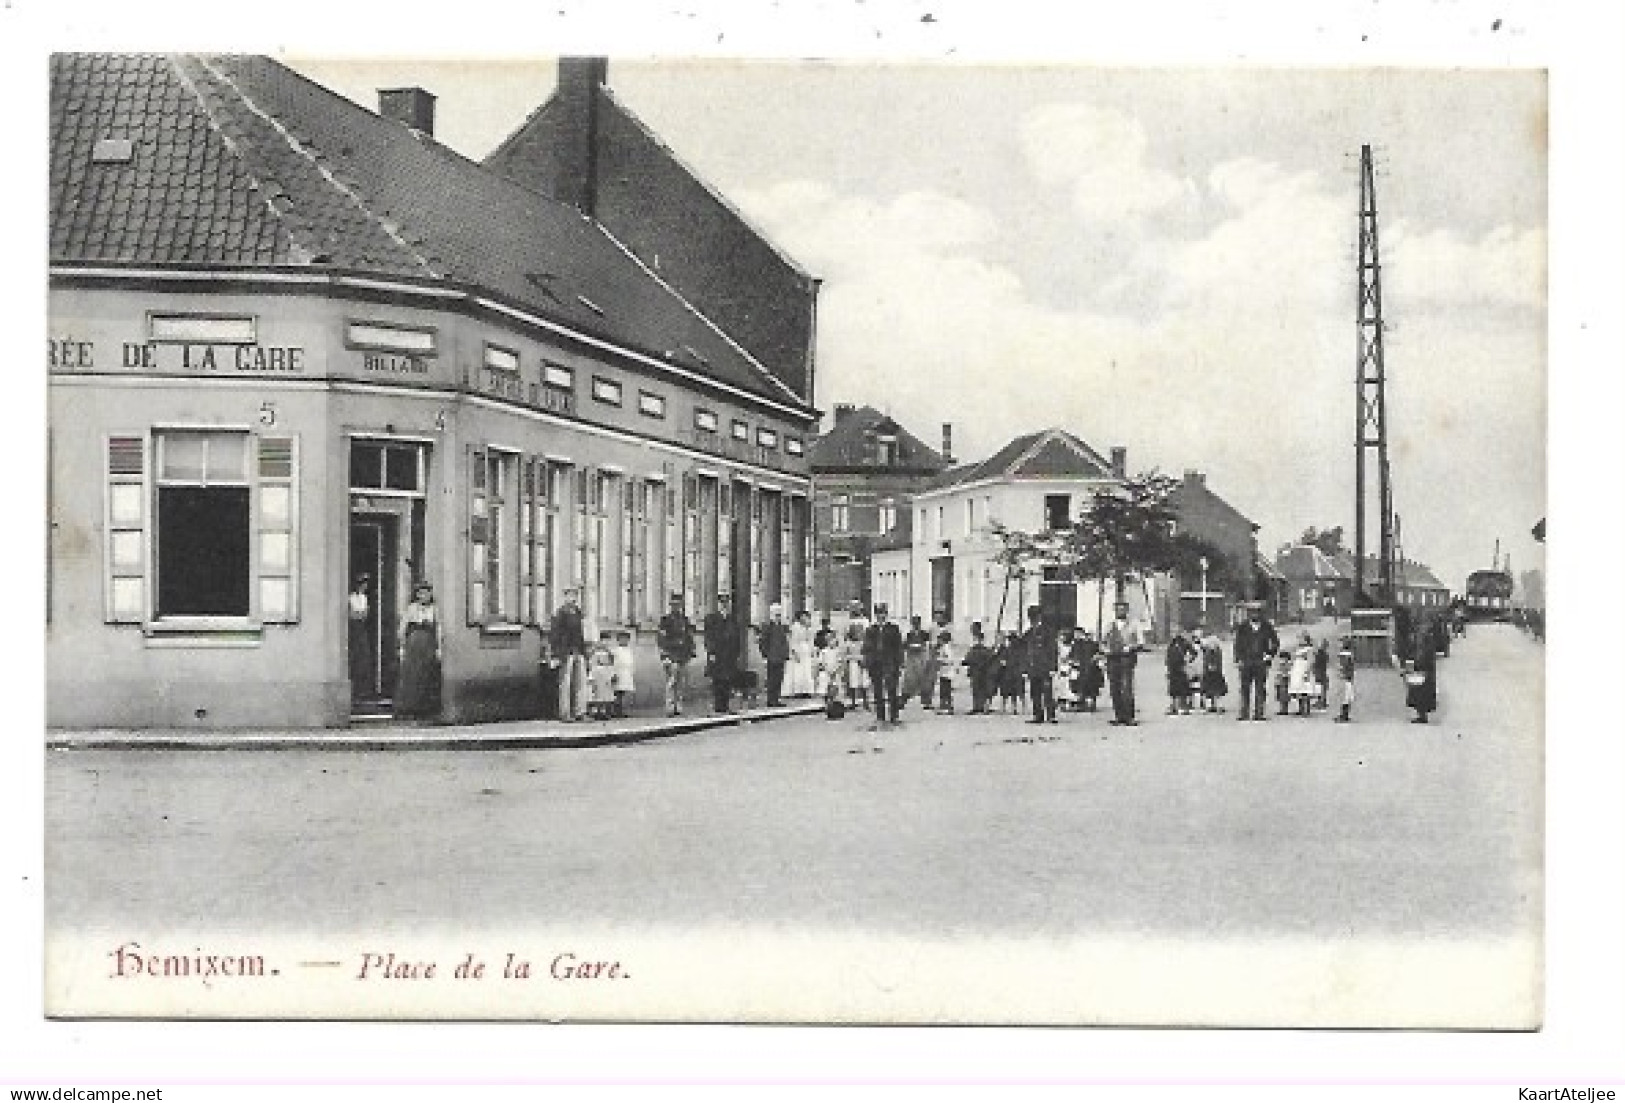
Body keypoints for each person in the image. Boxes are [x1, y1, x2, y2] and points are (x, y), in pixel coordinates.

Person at [393, 580, 441, 720]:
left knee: (427, 673)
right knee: (411, 675)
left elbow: (438, 628)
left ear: (430, 594)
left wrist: (439, 648)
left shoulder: (434, 609)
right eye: (420, 593)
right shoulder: (412, 608)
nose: (423, 596)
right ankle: (408, 708)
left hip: (428, 644)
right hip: (414, 643)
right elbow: (402, 628)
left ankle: (425, 709)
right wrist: (402, 646)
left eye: (426, 593)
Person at [1231, 603, 1280, 721]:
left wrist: (1269, 655)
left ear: (1261, 613)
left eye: (1257, 612)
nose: (1255, 614)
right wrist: (1238, 659)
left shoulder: (1267, 626)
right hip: (1246, 661)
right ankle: (1244, 712)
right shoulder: (1242, 627)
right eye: (1252, 612)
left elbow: (1275, 643)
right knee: (1244, 688)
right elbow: (1237, 644)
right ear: (1249, 614)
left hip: (1260, 662)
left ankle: (1259, 712)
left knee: (1260, 687)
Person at [549, 587, 590, 722]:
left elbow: (581, 633)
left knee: (580, 683)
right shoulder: (560, 613)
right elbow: (555, 635)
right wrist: (556, 654)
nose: (573, 598)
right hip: (565, 652)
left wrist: (584, 651)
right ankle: (565, 713)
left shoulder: (578, 613)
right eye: (570, 595)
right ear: (565, 597)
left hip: (578, 651)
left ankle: (580, 711)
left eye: (575, 595)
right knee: (565, 683)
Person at [862, 603, 905, 730]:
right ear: (876, 616)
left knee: (892, 689)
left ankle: (894, 716)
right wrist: (868, 661)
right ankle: (880, 716)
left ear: (886, 615)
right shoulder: (871, 630)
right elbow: (867, 647)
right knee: (878, 691)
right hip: (876, 664)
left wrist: (900, 663)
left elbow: (899, 647)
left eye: (883, 614)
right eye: (878, 614)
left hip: (890, 663)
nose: (881, 617)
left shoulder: (893, 629)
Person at [1103, 600, 1143, 726]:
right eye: (1118, 610)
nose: (1120, 612)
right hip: (1112, 658)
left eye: (1123, 609)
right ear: (1114, 611)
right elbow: (1102, 642)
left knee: (1126, 687)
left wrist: (1131, 647)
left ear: (1127, 611)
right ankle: (1119, 715)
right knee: (1114, 688)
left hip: (1126, 658)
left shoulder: (1134, 625)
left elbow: (1141, 642)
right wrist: (1106, 650)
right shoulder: (1110, 625)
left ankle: (1129, 716)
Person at [656, 593, 696, 717]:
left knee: (680, 682)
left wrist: (690, 651)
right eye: (674, 605)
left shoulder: (685, 620)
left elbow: (689, 637)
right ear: (670, 605)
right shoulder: (665, 620)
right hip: (670, 654)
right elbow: (661, 639)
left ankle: (678, 706)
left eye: (678, 605)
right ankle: (670, 706)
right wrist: (665, 653)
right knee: (671, 681)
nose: (676, 607)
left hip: (682, 655)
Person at [703, 593, 742, 715]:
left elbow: (737, 637)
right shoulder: (712, 619)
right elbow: (709, 637)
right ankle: (718, 706)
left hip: (729, 655)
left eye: (726, 603)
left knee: (728, 680)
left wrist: (737, 652)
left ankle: (725, 705)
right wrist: (711, 652)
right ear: (718, 604)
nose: (724, 605)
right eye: (722, 603)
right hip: (717, 654)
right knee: (717, 680)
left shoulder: (732, 619)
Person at [1024, 605, 1058, 725]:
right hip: (1033, 667)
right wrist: (1025, 669)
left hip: (1045, 667)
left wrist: (1053, 667)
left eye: (1035, 617)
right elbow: (1025, 652)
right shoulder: (1028, 633)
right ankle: (1038, 715)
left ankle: (1051, 715)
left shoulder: (1047, 632)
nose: (1033, 620)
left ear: (1040, 617)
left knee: (1047, 691)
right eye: (1031, 617)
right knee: (1035, 692)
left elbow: (1053, 650)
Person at [758, 603, 792, 708]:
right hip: (771, 656)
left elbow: (785, 641)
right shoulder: (767, 626)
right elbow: (763, 642)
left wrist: (786, 654)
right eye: (776, 614)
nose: (778, 616)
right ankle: (771, 699)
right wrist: (765, 655)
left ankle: (776, 698)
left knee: (779, 678)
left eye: (779, 614)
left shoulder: (782, 626)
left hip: (780, 656)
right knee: (772, 679)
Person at [348, 573, 373, 705]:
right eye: (363, 583)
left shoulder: (364, 598)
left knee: (364, 658)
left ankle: (362, 691)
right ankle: (354, 691)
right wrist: (358, 615)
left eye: (366, 584)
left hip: (362, 630)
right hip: (354, 631)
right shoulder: (351, 598)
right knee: (355, 657)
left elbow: (364, 615)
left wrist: (359, 615)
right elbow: (351, 615)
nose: (365, 586)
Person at [1405, 627, 1438, 724]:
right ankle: (1422, 714)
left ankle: (1422, 715)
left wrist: (1417, 664)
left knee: (1420, 691)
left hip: (1423, 669)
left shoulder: (1424, 642)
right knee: (1420, 691)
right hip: (1425, 669)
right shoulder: (1425, 641)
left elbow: (1423, 655)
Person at [902, 614, 933, 712]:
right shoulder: (909, 634)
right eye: (914, 623)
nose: (915, 625)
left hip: (921, 657)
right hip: (911, 657)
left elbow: (927, 645)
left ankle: (926, 701)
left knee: (923, 679)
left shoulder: (924, 634)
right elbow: (905, 645)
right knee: (909, 679)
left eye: (917, 623)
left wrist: (926, 654)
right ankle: (904, 699)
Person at [844, 601, 871, 711]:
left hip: (862, 650)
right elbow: (846, 636)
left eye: (857, 608)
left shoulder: (865, 621)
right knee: (853, 677)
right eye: (853, 608)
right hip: (852, 650)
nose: (855, 610)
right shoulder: (849, 622)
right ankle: (854, 702)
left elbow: (867, 636)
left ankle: (866, 701)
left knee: (864, 677)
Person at [963, 623, 994, 714]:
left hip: (981, 666)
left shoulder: (981, 639)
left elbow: (983, 650)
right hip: (975, 666)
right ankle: (977, 705)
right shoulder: (972, 640)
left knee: (981, 687)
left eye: (973, 628)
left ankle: (981, 706)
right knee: (976, 687)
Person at [1165, 628, 1197, 715]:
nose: (1173, 633)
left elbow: (1194, 653)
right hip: (1172, 668)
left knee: (1183, 687)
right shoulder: (1171, 643)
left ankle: (1184, 707)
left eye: (1175, 632)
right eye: (1172, 632)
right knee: (1173, 688)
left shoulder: (1184, 642)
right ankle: (1174, 707)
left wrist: (1189, 660)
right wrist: (1167, 668)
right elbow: (1168, 656)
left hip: (1181, 667)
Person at [786, 611, 817, 698]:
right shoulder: (795, 627)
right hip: (798, 650)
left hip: (806, 651)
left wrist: (812, 651)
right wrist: (795, 652)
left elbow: (810, 640)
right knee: (798, 671)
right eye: (803, 617)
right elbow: (793, 641)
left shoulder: (808, 628)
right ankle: (797, 691)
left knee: (806, 671)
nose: (805, 618)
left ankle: (806, 690)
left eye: (806, 617)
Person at [587, 636, 618, 720]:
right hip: (597, 673)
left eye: (607, 641)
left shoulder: (609, 653)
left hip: (606, 673)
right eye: (603, 641)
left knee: (607, 694)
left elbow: (612, 663)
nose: (605, 643)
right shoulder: (595, 652)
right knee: (597, 693)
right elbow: (591, 664)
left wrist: (612, 674)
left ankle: (605, 712)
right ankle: (597, 711)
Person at [1199, 629, 1228, 713]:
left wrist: (1213, 667)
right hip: (1211, 673)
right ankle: (1212, 706)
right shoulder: (1211, 651)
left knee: (1216, 691)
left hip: (1214, 673)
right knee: (1211, 691)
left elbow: (1218, 662)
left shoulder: (1214, 652)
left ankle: (1216, 705)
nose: (1212, 645)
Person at [1075, 629, 1103, 713]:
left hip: (1092, 669)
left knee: (1092, 686)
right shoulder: (1078, 644)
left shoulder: (1094, 644)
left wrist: (1097, 658)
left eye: (1089, 635)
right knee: (1081, 686)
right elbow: (1073, 654)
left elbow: (1100, 654)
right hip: (1082, 668)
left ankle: (1091, 703)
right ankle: (1082, 703)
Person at [1289, 633, 1316, 717]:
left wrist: (1307, 672)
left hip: (1303, 669)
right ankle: (1300, 709)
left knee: (1305, 690)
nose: (1299, 641)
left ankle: (1306, 709)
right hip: (1297, 669)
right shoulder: (1298, 649)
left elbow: (1310, 661)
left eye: (1301, 639)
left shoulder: (1309, 649)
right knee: (1298, 690)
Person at [611, 630, 636, 718]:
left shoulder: (629, 650)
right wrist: (614, 673)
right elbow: (614, 662)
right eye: (622, 639)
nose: (624, 641)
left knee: (623, 693)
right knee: (617, 693)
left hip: (626, 672)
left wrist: (631, 672)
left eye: (626, 639)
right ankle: (615, 711)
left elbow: (630, 662)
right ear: (618, 640)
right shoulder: (615, 650)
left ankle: (620, 710)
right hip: (618, 672)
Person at [1334, 635, 1356, 723]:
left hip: (1344, 678)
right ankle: (1345, 715)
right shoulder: (1350, 654)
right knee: (1347, 697)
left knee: (1344, 697)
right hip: (1348, 678)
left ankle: (1343, 715)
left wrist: (1340, 672)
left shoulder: (1344, 655)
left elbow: (1343, 666)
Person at [934, 631, 957, 714]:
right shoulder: (943, 648)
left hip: (947, 672)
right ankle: (945, 706)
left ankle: (946, 707)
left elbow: (950, 660)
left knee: (945, 690)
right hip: (944, 672)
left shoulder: (947, 648)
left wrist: (940, 660)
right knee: (944, 690)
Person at [1312, 638, 1332, 710]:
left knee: (1320, 687)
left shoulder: (1320, 654)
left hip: (1320, 672)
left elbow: (1316, 663)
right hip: (1322, 672)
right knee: (1322, 687)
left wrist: (1314, 668)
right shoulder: (1325, 654)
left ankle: (1321, 702)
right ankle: (1322, 701)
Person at [1273, 648, 1294, 716]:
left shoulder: (1288, 664)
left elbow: (1288, 672)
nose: (1281, 660)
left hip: (1284, 680)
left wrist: (1284, 674)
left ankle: (1284, 710)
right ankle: (1282, 709)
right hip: (1280, 681)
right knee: (1280, 695)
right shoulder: (1280, 664)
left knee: (1284, 696)